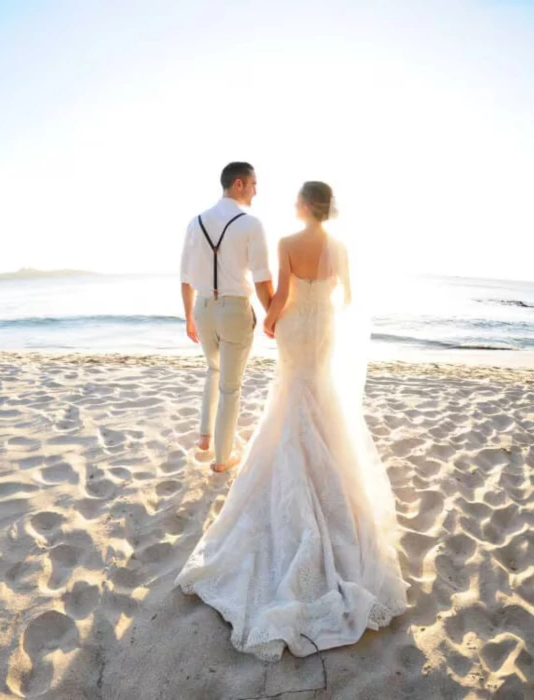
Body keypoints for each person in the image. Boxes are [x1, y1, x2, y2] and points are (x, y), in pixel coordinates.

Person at [175, 182, 408, 661]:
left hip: (296, 327)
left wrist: (272, 320)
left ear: (303, 205)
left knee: (289, 395)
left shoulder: (285, 243)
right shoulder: (341, 247)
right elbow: (347, 298)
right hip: (322, 329)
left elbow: (279, 296)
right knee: (319, 395)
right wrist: (319, 308)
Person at [180, 162, 274, 472]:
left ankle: (205, 437)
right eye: (253, 184)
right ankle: (222, 460)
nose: (256, 190)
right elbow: (262, 279)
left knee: (213, 369)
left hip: (203, 308)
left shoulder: (196, 223)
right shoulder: (251, 224)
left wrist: (189, 317)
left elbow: (185, 276)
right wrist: (273, 314)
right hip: (234, 308)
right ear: (238, 184)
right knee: (230, 388)